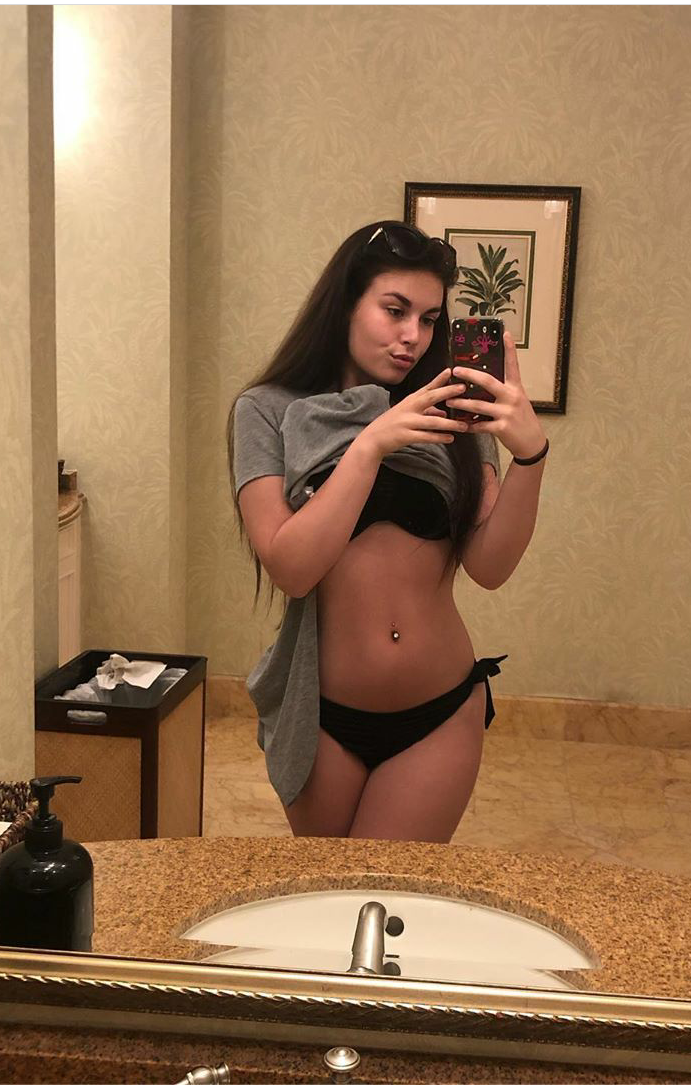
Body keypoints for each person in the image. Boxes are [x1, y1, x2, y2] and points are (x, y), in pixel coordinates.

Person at [227, 220, 549, 843]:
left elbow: (489, 567)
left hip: (439, 711)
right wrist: (370, 444)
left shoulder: (453, 412)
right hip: (321, 717)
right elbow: (291, 568)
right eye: (395, 310)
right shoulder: (267, 410)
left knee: (392, 889)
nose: (413, 337)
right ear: (346, 302)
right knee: (331, 891)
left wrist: (531, 457)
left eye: (429, 319)